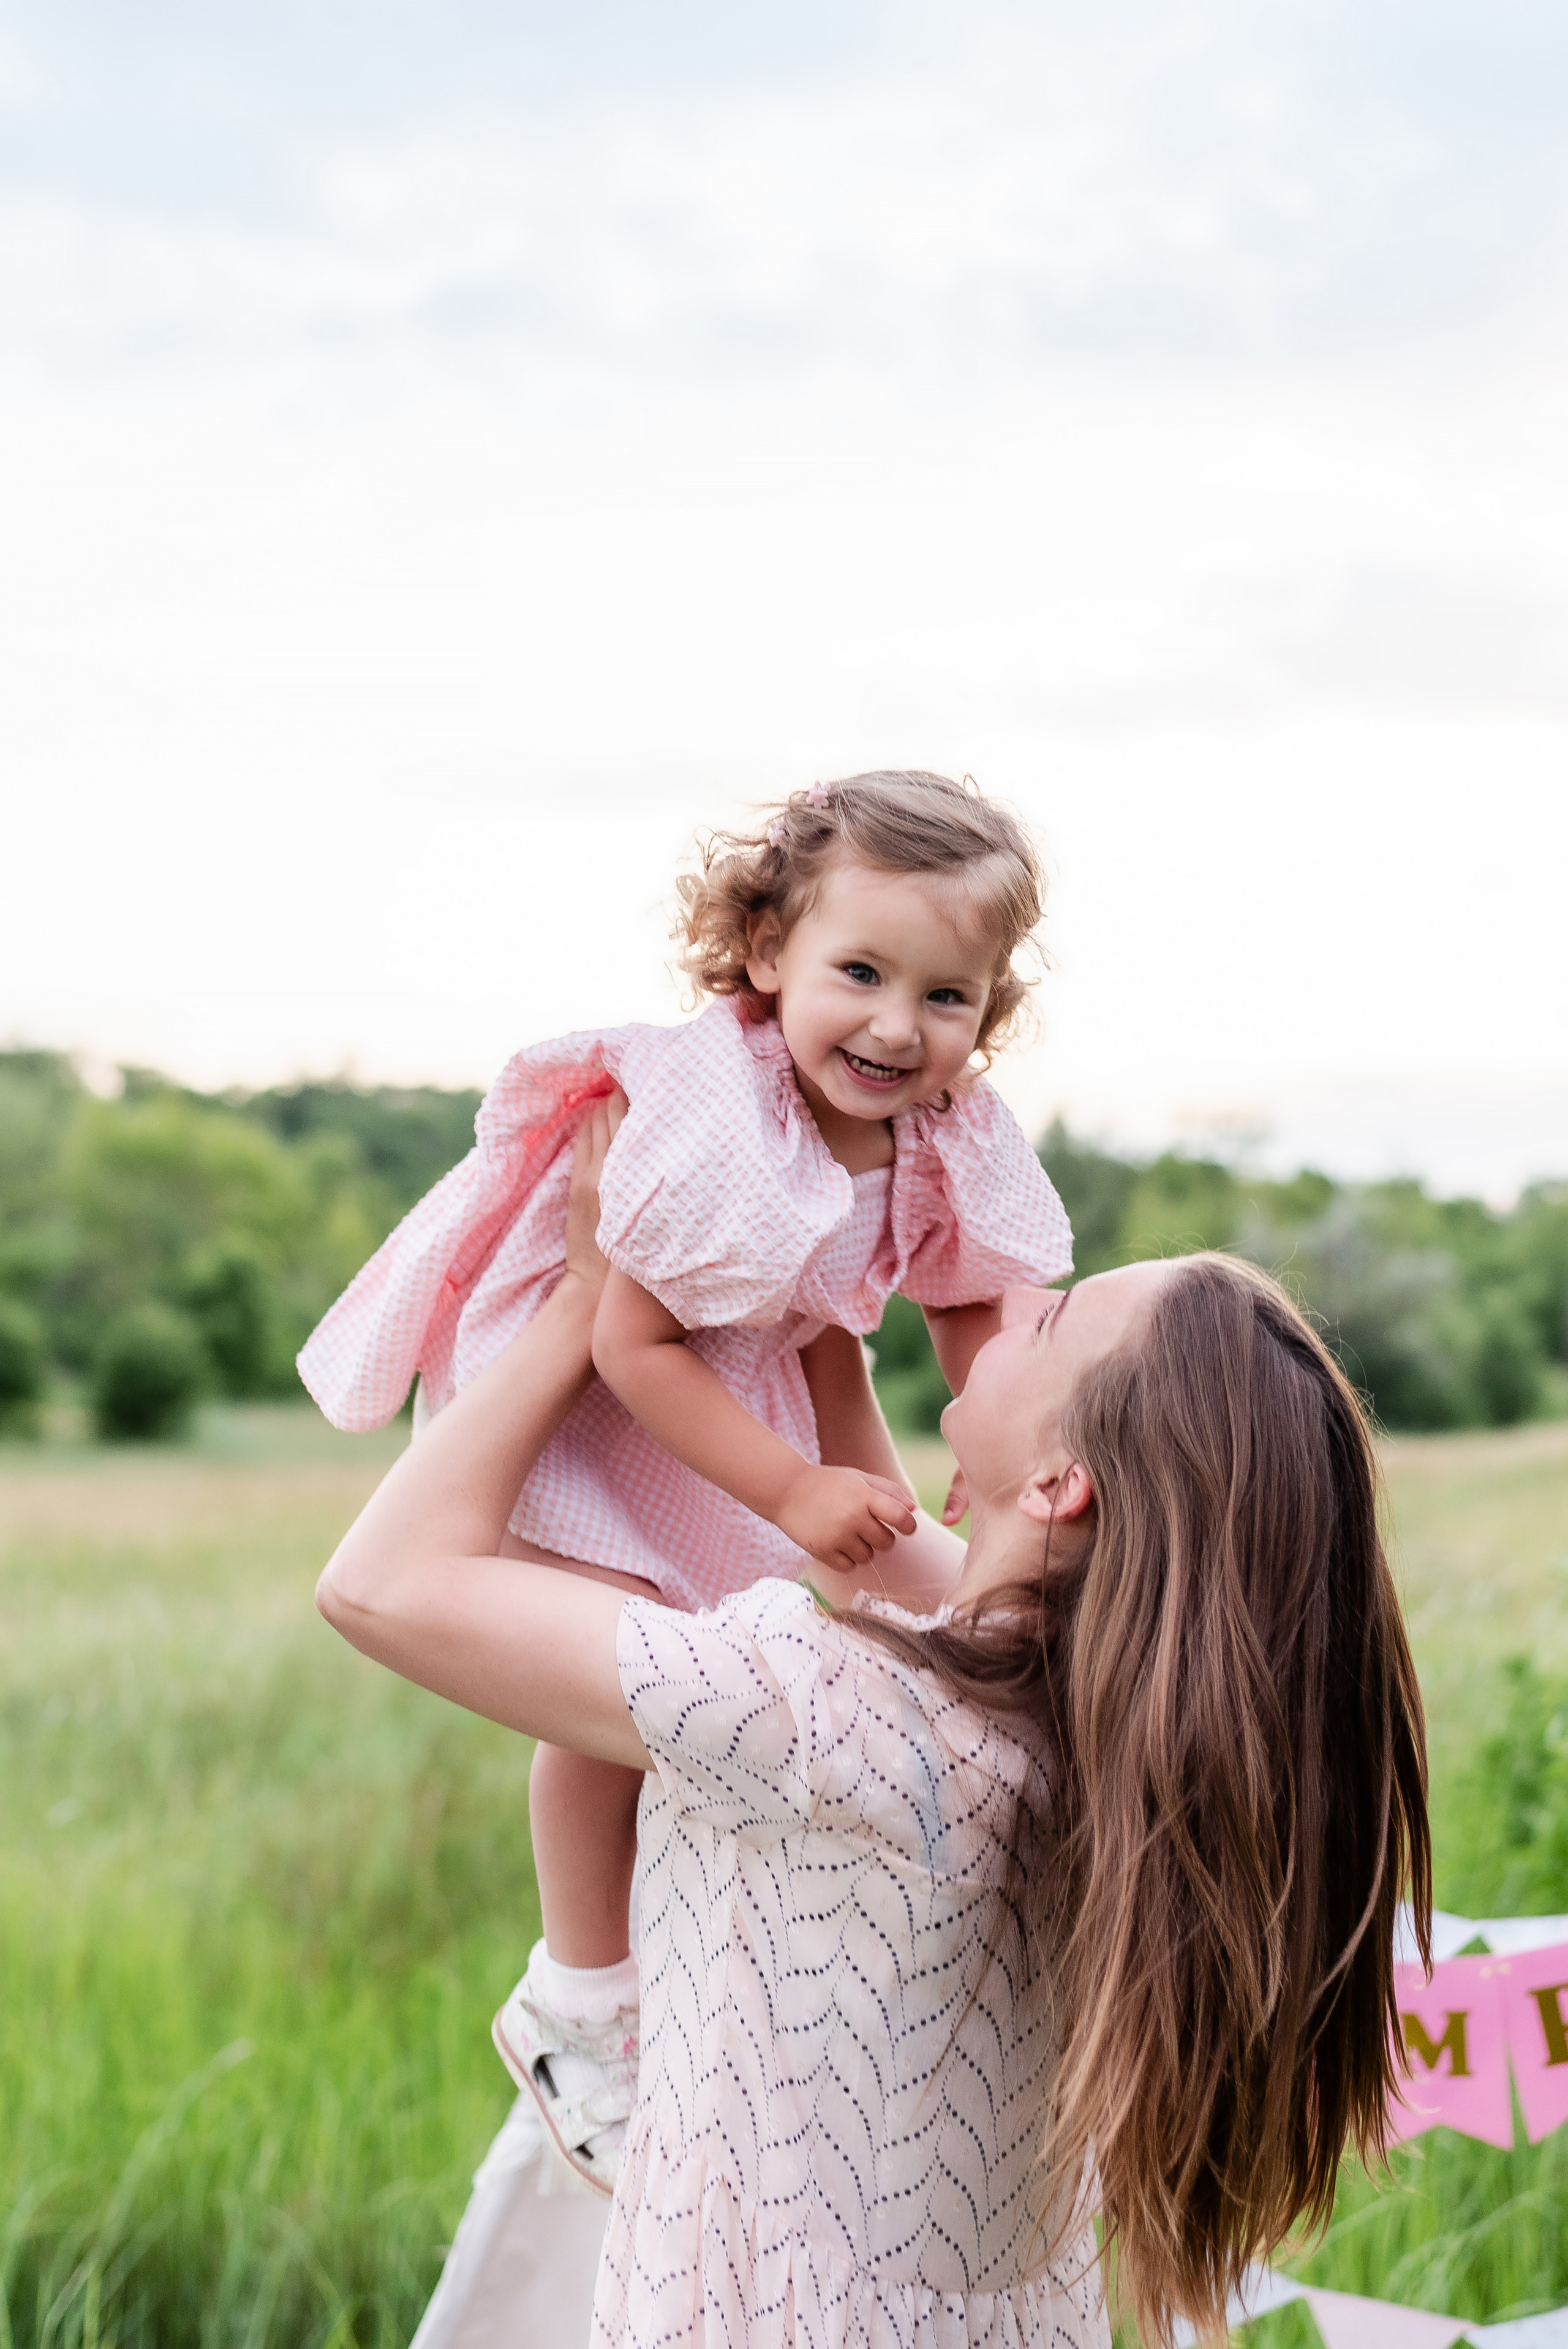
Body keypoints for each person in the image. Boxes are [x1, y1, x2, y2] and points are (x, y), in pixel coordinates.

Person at [316, 1099, 1431, 2349]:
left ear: (1060, 1485)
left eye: (1047, 1322)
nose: (1004, 1312)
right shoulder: (1097, 1724)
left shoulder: (823, 1713)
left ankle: (577, 2025)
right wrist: (826, 1335)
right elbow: (913, 1582)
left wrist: (586, 1302)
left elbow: (379, 1584)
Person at [298, 771, 1072, 2185]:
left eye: (946, 996)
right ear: (767, 951)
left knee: (783, 1664)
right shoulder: (716, 1116)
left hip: (758, 1387)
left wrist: (1020, 1430)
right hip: (612, 1395)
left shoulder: (945, 1129)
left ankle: (684, 1962)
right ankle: (580, 1998)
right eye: (860, 973)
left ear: (987, 1007)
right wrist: (788, 1493)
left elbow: (977, 1301)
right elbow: (632, 1338)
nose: (899, 1026)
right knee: (613, 1698)